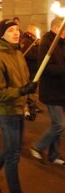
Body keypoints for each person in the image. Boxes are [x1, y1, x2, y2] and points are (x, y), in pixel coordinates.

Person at [0, 19, 37, 193]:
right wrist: (22, 91)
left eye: (17, 29)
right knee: (13, 156)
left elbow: (25, 80)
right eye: (11, 30)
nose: (16, 33)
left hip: (19, 109)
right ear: (2, 34)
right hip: (6, 113)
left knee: (12, 148)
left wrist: (31, 102)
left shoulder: (17, 53)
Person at [30, 17, 65, 166]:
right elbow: (45, 67)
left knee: (57, 125)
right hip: (52, 91)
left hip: (61, 90)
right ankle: (37, 146)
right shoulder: (46, 43)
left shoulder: (61, 43)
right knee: (59, 125)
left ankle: (54, 154)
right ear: (57, 29)